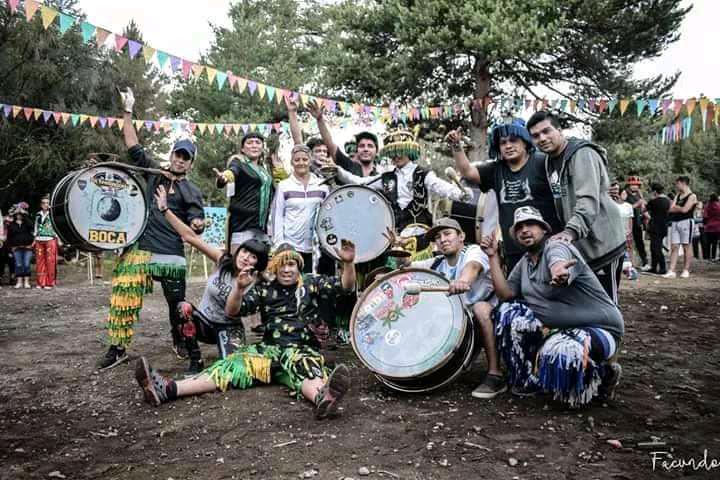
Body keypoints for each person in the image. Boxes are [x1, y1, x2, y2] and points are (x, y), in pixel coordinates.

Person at [134, 241, 357, 420]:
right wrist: (239, 288)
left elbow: (345, 287)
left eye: (292, 265)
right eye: (282, 265)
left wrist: (348, 263)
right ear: (275, 267)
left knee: (304, 366)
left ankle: (323, 398)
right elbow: (232, 312)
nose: (287, 269)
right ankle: (168, 389)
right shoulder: (263, 289)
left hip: (301, 349)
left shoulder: (312, 282)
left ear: (299, 267)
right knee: (231, 365)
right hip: (269, 353)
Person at [98, 87, 206, 370]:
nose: (180, 159)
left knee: (176, 304)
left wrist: (198, 223)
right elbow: (132, 144)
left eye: (185, 157)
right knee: (124, 295)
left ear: (191, 163)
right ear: (171, 155)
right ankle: (118, 347)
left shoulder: (191, 190)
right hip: (140, 249)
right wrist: (128, 111)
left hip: (171, 253)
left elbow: (197, 223)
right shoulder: (152, 172)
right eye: (177, 154)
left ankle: (179, 338)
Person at [482, 206, 624, 406]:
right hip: (564, 330)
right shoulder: (525, 262)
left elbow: (558, 261)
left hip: (601, 328)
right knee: (507, 312)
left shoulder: (556, 246)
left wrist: (558, 270)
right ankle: (528, 381)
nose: (524, 230)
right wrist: (492, 257)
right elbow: (505, 294)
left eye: (531, 224)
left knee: (562, 355)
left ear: (544, 230)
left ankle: (604, 375)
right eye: (519, 227)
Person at [155, 184, 270, 374]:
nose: (246, 257)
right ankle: (195, 359)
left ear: (258, 264)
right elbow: (190, 237)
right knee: (182, 307)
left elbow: (231, 312)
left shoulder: (257, 283)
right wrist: (165, 210)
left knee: (234, 371)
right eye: (244, 251)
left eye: (253, 257)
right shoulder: (223, 260)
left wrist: (240, 288)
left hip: (229, 328)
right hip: (204, 324)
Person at [395, 217, 503, 398]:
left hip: (485, 320)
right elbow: (407, 267)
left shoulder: (474, 251)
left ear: (461, 236)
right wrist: (399, 252)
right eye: (437, 237)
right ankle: (414, 368)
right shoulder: (437, 263)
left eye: (447, 234)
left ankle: (495, 374)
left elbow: (473, 267)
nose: (442, 240)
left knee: (481, 308)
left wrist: (463, 281)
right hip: (457, 323)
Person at [526, 111, 625, 304]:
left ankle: (612, 334)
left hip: (603, 244)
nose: (542, 138)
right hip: (582, 245)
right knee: (587, 304)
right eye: (536, 136)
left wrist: (570, 232)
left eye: (547, 131)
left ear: (560, 130)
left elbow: (587, 200)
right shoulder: (549, 162)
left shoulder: (582, 153)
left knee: (607, 304)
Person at [449, 120, 561, 272]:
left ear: (525, 142)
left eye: (514, 140)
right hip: (514, 249)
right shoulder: (495, 169)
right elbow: (468, 172)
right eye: (503, 143)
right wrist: (456, 146)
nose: (508, 146)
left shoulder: (543, 162)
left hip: (548, 246)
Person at [334, 129, 471, 232]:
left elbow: (442, 187)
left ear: (409, 151)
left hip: (419, 231)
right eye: (393, 152)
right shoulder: (386, 177)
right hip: (395, 233)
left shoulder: (423, 174)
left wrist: (460, 194)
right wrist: (338, 171)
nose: (396, 156)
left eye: (401, 151)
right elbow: (359, 182)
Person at [271, 145, 329, 272]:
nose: (301, 163)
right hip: (291, 246)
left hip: (316, 247)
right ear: (292, 162)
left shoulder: (322, 185)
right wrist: (280, 244)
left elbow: (328, 215)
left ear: (310, 160)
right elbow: (277, 216)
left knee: (312, 284)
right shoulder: (284, 186)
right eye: (297, 160)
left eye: (304, 159)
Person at [306, 99, 380, 178]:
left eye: (370, 146)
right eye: (362, 146)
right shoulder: (349, 167)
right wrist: (320, 119)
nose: (366, 149)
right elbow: (330, 144)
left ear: (377, 151)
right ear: (357, 150)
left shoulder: (382, 177)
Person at [663, 176, 698, 278]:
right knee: (674, 246)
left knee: (686, 246)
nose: (676, 186)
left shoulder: (692, 196)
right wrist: (679, 208)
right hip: (675, 222)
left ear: (683, 183)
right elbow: (670, 209)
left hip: (686, 222)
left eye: (677, 183)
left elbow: (685, 210)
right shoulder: (678, 195)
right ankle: (671, 270)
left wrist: (677, 208)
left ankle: (686, 270)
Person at [610, 182, 637, 280]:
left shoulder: (628, 206)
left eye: (626, 194)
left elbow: (630, 219)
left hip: (626, 231)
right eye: (624, 193)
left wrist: (630, 230)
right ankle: (619, 267)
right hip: (616, 231)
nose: (625, 195)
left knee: (629, 249)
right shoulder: (613, 205)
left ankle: (631, 267)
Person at [623, 175, 649, 270]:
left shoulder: (639, 194)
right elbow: (622, 207)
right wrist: (636, 204)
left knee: (640, 242)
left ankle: (644, 261)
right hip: (628, 221)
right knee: (628, 243)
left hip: (637, 220)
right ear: (629, 185)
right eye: (633, 184)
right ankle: (628, 263)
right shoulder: (624, 193)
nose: (635, 186)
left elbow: (643, 207)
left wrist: (646, 214)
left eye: (637, 185)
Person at [33, 195, 60, 289]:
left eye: (47, 203)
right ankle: (41, 282)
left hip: (50, 238)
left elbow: (57, 227)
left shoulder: (53, 214)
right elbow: (36, 226)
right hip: (39, 239)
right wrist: (35, 237)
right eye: (43, 203)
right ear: (41, 204)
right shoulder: (38, 214)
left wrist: (58, 239)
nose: (45, 205)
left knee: (50, 261)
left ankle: (50, 282)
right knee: (40, 261)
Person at [6, 203, 34, 289]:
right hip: (16, 248)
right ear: (15, 215)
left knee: (26, 264)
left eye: (20, 214)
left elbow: (31, 226)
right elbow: (9, 238)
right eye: (17, 214)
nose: (19, 215)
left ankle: (26, 282)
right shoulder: (11, 224)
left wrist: (24, 214)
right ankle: (19, 282)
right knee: (18, 264)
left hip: (27, 247)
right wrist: (10, 249)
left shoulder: (27, 223)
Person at [645, 183, 671, 274]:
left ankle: (663, 268)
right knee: (654, 247)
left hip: (655, 227)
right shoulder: (668, 201)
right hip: (664, 227)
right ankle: (654, 267)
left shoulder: (654, 201)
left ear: (655, 192)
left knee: (656, 248)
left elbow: (644, 209)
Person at [704, 193, 720, 261]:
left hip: (709, 227)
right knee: (715, 243)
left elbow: (705, 216)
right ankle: (713, 257)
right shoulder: (719, 206)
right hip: (718, 227)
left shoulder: (707, 206)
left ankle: (707, 257)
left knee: (708, 243)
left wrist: (705, 223)